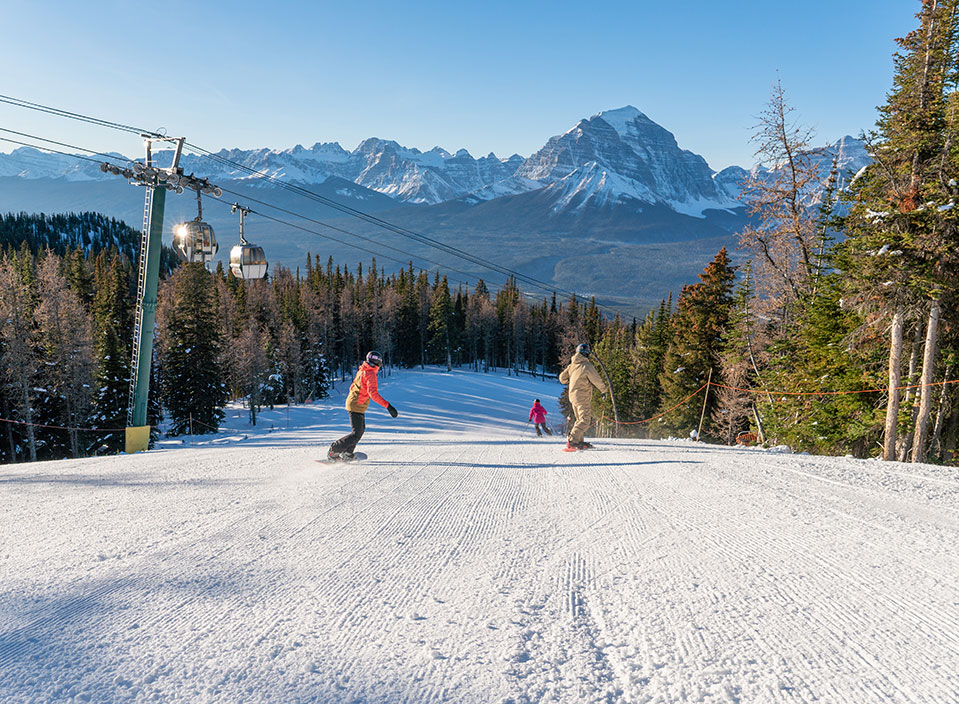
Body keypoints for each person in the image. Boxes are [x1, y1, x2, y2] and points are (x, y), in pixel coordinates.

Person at [328, 351, 399, 460]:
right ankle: (334, 450)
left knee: (359, 431)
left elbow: (353, 386)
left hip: (356, 403)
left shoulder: (363, 370)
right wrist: (388, 406)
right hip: (356, 404)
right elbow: (373, 394)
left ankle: (347, 453)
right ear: (378, 362)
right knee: (357, 433)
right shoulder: (370, 374)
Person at [558, 343, 607, 450]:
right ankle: (572, 440)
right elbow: (596, 379)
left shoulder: (572, 365)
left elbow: (562, 378)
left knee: (579, 419)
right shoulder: (587, 366)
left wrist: (569, 379)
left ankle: (578, 441)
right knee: (585, 420)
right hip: (582, 396)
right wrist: (604, 391)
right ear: (586, 353)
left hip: (572, 396)